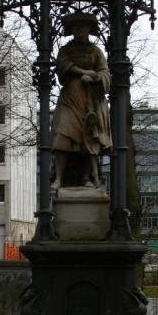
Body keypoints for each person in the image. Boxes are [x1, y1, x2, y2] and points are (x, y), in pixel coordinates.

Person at [51, 11, 112, 188]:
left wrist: (95, 78)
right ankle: (59, 178)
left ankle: (87, 177)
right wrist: (84, 72)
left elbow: (105, 72)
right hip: (70, 100)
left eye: (83, 27)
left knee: (89, 138)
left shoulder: (96, 51)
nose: (79, 30)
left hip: (90, 102)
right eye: (76, 27)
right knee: (62, 135)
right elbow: (64, 66)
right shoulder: (65, 50)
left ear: (89, 29)